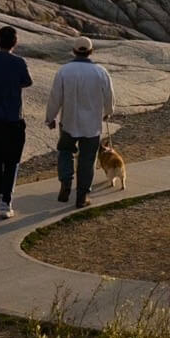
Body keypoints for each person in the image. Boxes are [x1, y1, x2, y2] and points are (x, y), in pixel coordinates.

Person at [46, 35, 114, 208]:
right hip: (92, 125)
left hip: (69, 122)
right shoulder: (100, 72)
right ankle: (82, 196)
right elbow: (109, 97)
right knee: (87, 159)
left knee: (65, 151)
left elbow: (55, 97)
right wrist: (108, 112)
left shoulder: (64, 71)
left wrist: (50, 118)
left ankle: (66, 182)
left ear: (74, 51)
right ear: (91, 51)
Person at [0, 24, 33, 218]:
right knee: (12, 160)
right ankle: (6, 202)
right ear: (15, 42)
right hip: (13, 117)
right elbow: (27, 81)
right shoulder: (19, 62)